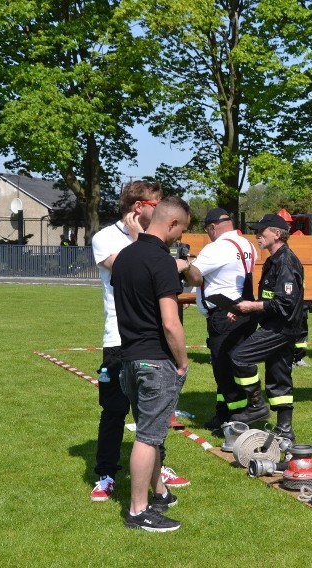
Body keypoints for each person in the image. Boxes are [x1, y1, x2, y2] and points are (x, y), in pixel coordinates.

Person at [89, 181, 189, 504]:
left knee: (151, 416)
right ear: (138, 206)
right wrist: (141, 243)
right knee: (114, 409)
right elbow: (132, 265)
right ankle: (106, 474)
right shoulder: (105, 238)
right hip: (118, 339)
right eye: (154, 203)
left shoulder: (153, 242)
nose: (158, 209)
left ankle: (157, 477)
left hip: (149, 341)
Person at [112, 195, 191, 532]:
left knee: (152, 433)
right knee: (147, 436)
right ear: (171, 223)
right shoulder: (161, 261)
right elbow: (170, 323)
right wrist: (183, 362)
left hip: (128, 358)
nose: (180, 237)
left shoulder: (125, 257)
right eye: (182, 230)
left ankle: (158, 493)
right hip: (156, 361)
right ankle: (137, 511)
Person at [227, 213, 305, 441]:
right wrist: (242, 307)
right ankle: (285, 430)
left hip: (281, 327)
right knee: (279, 377)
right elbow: (270, 298)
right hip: (277, 324)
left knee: (239, 357)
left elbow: (285, 303)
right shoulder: (273, 260)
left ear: (277, 234)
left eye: (262, 231)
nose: (257, 235)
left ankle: (256, 406)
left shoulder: (287, 262)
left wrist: (252, 306)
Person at [180, 207, 258, 431]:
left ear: (213, 227)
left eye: (207, 231)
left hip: (224, 315)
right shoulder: (247, 245)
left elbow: (195, 278)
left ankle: (236, 419)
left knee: (224, 370)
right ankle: (223, 413)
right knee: (236, 365)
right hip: (244, 311)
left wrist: (185, 263)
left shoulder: (215, 248)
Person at [279, 210, 312, 368]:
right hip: (285, 295)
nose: (287, 227)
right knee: (284, 327)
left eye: (288, 224)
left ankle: (299, 357)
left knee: (302, 326)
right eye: (284, 224)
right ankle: (285, 357)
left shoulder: (299, 244)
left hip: (300, 295)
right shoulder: (280, 249)